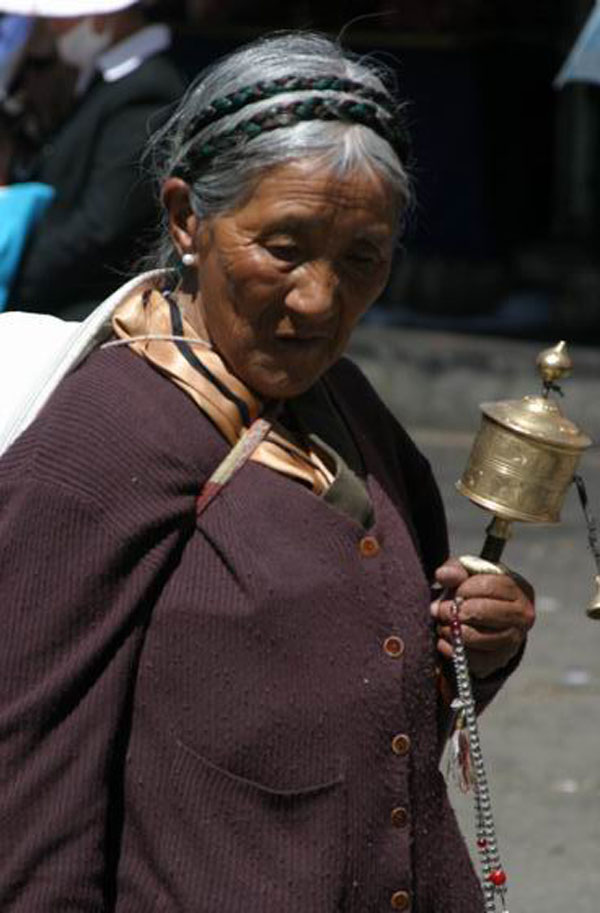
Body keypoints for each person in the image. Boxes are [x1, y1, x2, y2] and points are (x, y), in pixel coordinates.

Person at [0, 32, 535, 912]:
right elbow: (25, 816)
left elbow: (376, 715)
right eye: (284, 247)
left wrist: (472, 646)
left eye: (361, 257)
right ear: (186, 219)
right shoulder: (96, 450)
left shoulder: (350, 408)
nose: (320, 300)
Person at [1, 0, 184, 317]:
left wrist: (18, 280)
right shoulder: (109, 80)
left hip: (79, 308)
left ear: (102, 17)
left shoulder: (147, 90)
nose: (53, 29)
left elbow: (99, 227)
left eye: (62, 20)